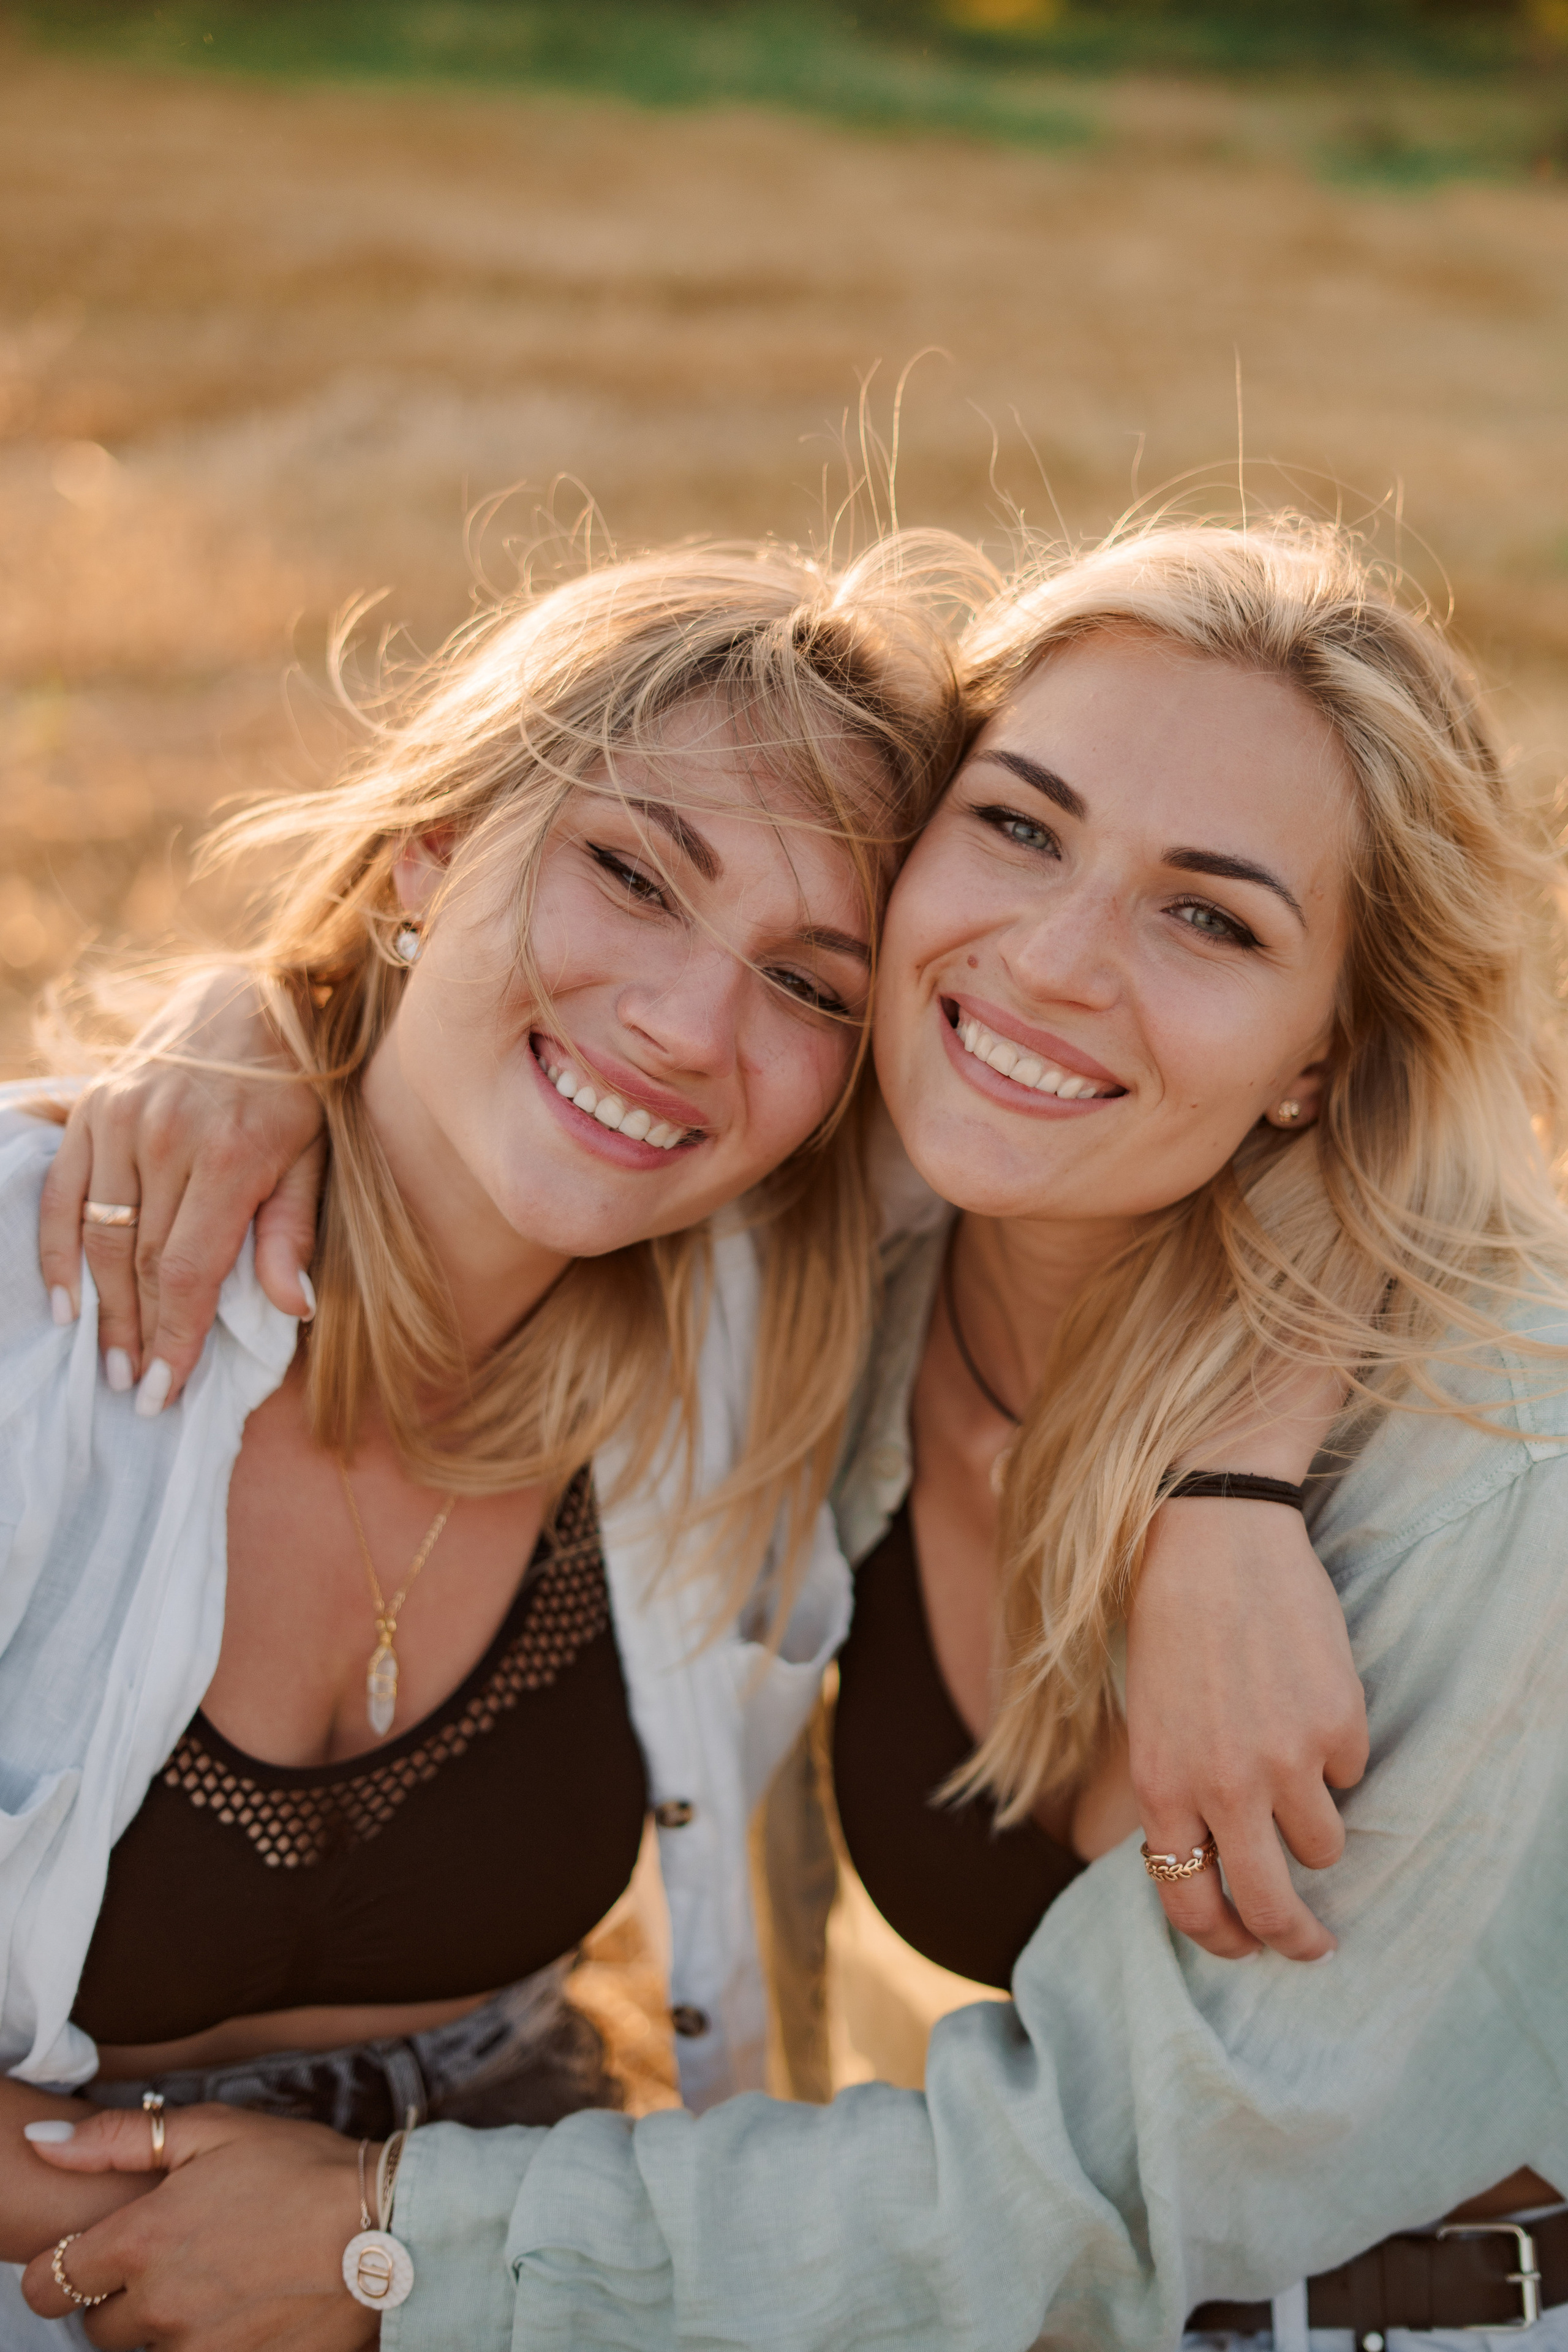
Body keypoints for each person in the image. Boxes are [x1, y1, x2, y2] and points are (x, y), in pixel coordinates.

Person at [24, 514, 1568, 2352]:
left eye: (1212, 916)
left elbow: (1140, 2171)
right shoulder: (853, 1255)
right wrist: (264, 1026)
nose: (1052, 963)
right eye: (1021, 826)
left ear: (1323, 1051)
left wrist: (1228, 1481)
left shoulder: (1486, 1481)